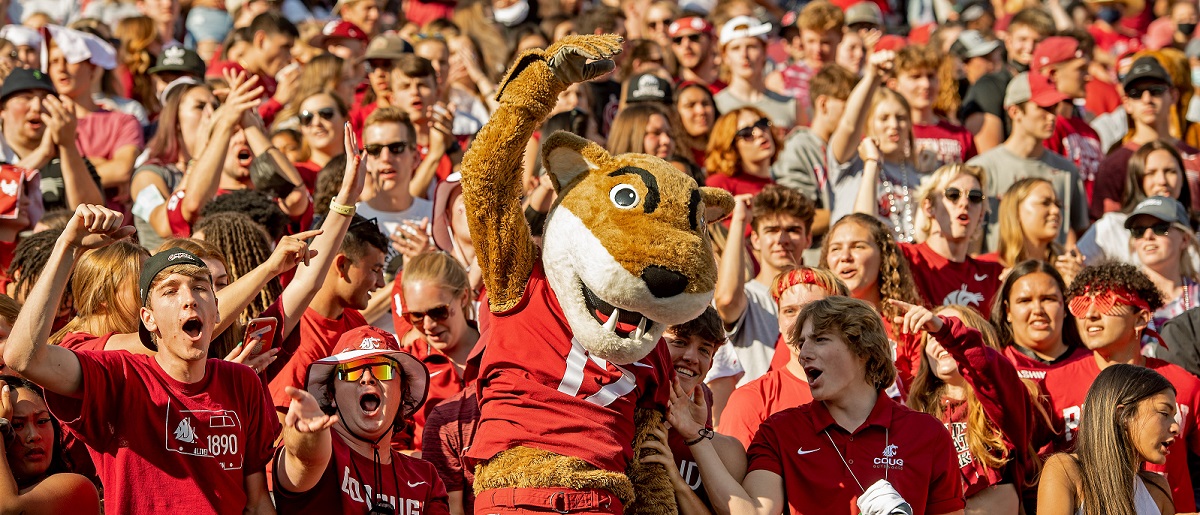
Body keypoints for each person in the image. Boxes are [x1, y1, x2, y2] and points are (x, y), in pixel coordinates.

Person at [3, 205, 281, 513]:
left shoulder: (241, 382)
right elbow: (22, 356)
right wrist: (68, 246)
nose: (189, 299)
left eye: (201, 288)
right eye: (170, 292)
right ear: (148, 318)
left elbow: (256, 501)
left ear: (216, 310)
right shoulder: (118, 377)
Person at [676, 296, 965, 515]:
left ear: (863, 349)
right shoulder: (781, 429)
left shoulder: (928, 433)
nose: (804, 355)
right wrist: (694, 436)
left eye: (820, 340)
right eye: (802, 344)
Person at [1042, 262, 1200, 511]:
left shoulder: (1184, 383)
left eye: (1106, 303)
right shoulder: (1052, 384)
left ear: (1141, 318)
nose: (1090, 315)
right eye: (1082, 304)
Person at [272, 325, 450, 514]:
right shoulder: (325, 453)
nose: (367, 378)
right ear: (331, 395)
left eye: (383, 369)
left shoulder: (426, 478)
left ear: (403, 392)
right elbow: (304, 457)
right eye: (351, 370)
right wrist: (304, 434)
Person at [904, 303, 1037, 513]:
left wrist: (945, 331)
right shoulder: (915, 416)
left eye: (949, 329)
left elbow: (990, 370)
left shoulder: (1003, 401)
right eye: (931, 334)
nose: (941, 339)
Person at [718, 267, 847, 448]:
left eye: (814, 309)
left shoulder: (865, 394)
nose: (800, 322)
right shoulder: (753, 399)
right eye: (789, 311)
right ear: (778, 322)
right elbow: (729, 476)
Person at [639, 307, 747, 515]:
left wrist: (677, 483)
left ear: (712, 363)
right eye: (680, 342)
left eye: (704, 350)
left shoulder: (728, 451)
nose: (692, 357)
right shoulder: (621, 418)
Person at [967, 72, 1088, 253]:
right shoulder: (982, 169)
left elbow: (1080, 234)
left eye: (1054, 108)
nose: (1052, 116)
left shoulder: (1067, 171)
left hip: (1052, 277)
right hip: (998, 276)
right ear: (1015, 111)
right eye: (1043, 107)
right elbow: (971, 243)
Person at [1038, 364, 1177, 515]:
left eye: (1174, 416)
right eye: (1164, 413)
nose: (1176, 427)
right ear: (1123, 416)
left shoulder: (1159, 488)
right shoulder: (1064, 470)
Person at [713, 186, 812, 387]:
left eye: (793, 230)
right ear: (755, 240)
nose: (782, 240)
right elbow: (727, 301)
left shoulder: (821, 300)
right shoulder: (747, 296)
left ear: (808, 239)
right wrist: (739, 221)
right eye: (772, 230)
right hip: (757, 413)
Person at [819, 213, 925, 387]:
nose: (845, 256)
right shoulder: (813, 325)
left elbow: (924, 395)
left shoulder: (909, 325)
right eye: (836, 249)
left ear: (883, 256)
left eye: (858, 247)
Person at [828, 51, 922, 243]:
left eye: (901, 118)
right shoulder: (851, 162)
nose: (894, 125)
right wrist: (872, 77)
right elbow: (849, 124)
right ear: (868, 123)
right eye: (884, 118)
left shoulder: (918, 175)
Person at [1092, 57, 1200, 221]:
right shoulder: (1114, 164)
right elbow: (1106, 230)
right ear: (1126, 103)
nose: (1147, 99)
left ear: (1173, 96)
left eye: (1156, 90)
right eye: (1137, 93)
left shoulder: (1196, 159)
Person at [398, 250, 478, 448]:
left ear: (463, 297)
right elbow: (392, 450)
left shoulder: (496, 347)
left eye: (438, 312)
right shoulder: (407, 364)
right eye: (416, 316)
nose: (428, 325)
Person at [0, 67, 103, 214]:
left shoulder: (72, 160)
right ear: (2, 108)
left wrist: (67, 146)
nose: (37, 107)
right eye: (26, 98)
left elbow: (93, 218)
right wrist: (42, 154)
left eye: (46, 99)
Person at [773, 64, 857, 240]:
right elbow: (798, 217)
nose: (856, 114)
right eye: (849, 106)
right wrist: (858, 210)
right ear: (824, 104)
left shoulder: (855, 149)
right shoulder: (798, 147)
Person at [1078, 141, 1193, 266]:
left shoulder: (1196, 228)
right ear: (1137, 180)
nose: (1162, 181)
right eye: (1151, 173)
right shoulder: (1112, 226)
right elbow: (1076, 265)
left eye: (1170, 171)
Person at [0, 376, 100, 514]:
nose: (34, 436)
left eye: (42, 421)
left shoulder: (75, 488)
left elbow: (7, 510)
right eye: (17, 425)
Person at [960, 7, 1055, 152]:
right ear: (1008, 41)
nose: (1029, 48)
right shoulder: (989, 86)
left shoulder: (1055, 86)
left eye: (1038, 41)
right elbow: (986, 158)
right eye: (1023, 39)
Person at [1033, 34, 1105, 198]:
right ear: (1052, 74)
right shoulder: (1046, 129)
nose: (1089, 77)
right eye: (1080, 69)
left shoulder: (1089, 131)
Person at [888, 44, 977, 171]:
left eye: (931, 76)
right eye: (915, 76)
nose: (926, 84)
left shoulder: (961, 136)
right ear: (894, 85)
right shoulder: (886, 133)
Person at [206, 12, 300, 125]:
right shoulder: (225, 72)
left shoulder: (270, 81)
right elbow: (224, 125)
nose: (289, 56)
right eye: (285, 47)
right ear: (261, 40)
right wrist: (277, 102)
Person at [1124, 197, 1200, 331]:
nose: (1148, 236)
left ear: (1185, 239)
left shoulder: (1197, 295)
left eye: (1160, 228)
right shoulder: (1123, 297)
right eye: (1139, 231)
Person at [989, 178, 1084, 285]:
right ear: (1016, 211)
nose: (1056, 210)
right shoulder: (988, 269)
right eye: (1045, 203)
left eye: (1058, 204)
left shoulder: (1068, 269)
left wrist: (1077, 286)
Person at [713, 16, 797, 130]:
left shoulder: (790, 105)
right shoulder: (715, 106)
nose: (744, 55)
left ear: (764, 51)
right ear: (725, 56)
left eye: (751, 46)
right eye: (736, 48)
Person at [765, 1, 843, 123]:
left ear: (841, 37)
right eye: (811, 41)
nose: (817, 50)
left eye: (825, 42)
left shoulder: (850, 80)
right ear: (801, 36)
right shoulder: (780, 80)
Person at [704, 108, 780, 196]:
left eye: (762, 123)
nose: (759, 133)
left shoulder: (783, 193)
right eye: (746, 132)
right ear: (731, 146)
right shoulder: (718, 185)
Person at [667, 17, 723, 92]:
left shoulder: (726, 91)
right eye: (678, 40)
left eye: (694, 37)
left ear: (712, 41)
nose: (686, 45)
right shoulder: (669, 90)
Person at [674, 81, 716, 169]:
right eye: (690, 105)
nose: (701, 111)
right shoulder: (671, 153)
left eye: (705, 103)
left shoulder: (730, 150)